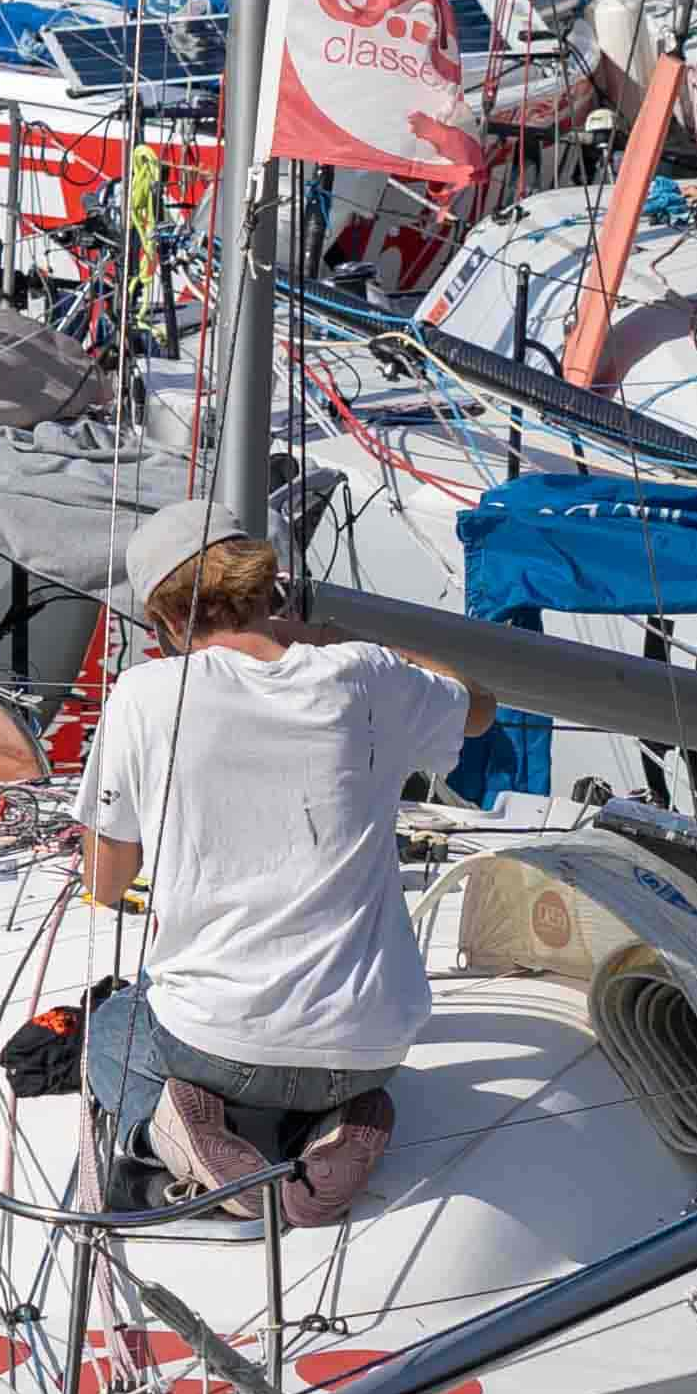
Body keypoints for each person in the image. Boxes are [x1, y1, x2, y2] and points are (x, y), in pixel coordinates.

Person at [69, 506, 487, 1226]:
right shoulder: (364, 674)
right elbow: (476, 707)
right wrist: (334, 640)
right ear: (271, 588)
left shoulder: (145, 694)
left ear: (165, 619)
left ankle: (179, 1134)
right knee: (325, 1065)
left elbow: (103, 881)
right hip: (370, 1041)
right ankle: (347, 1114)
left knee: (110, 1031)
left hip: (217, 1045)